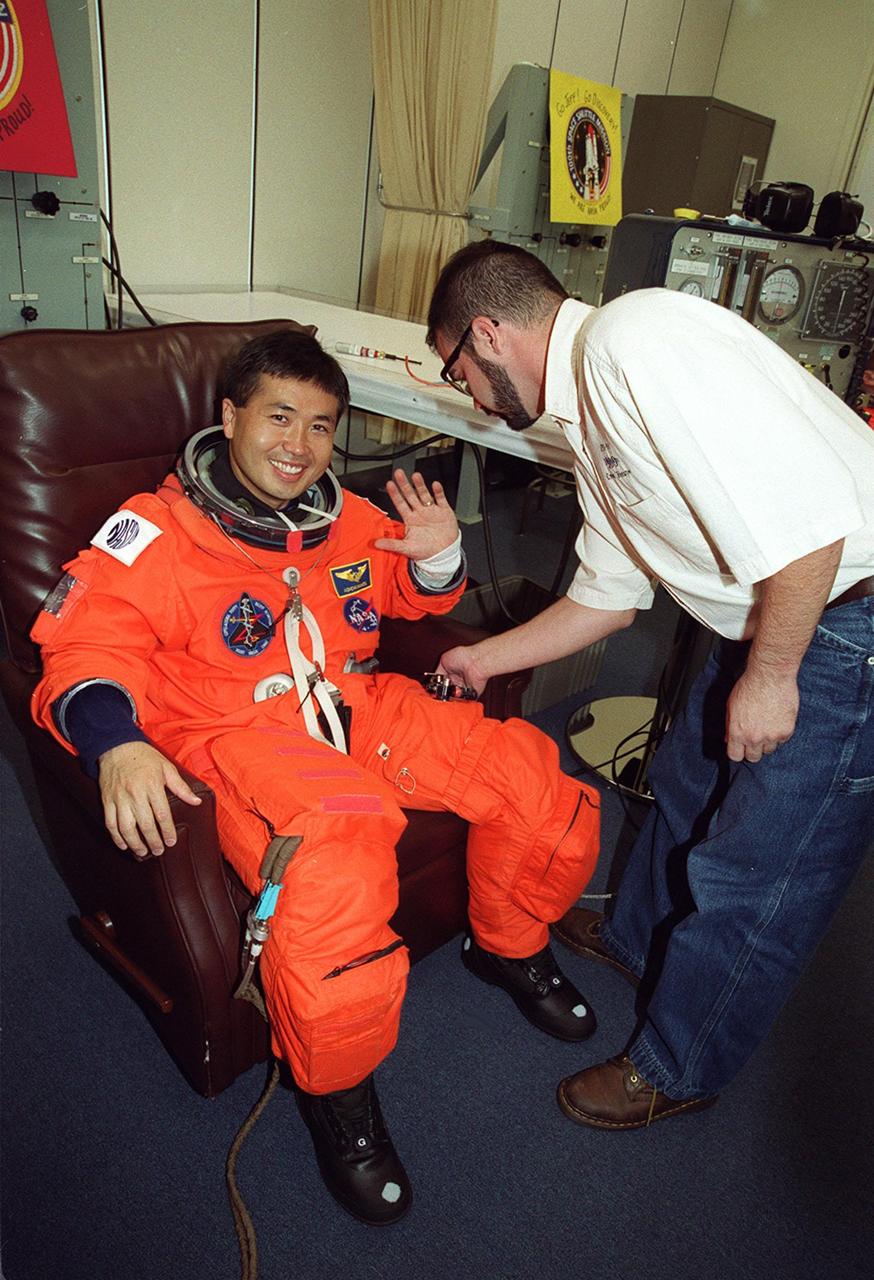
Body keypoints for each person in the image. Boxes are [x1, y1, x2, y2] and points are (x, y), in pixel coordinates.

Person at [30, 330, 601, 1223]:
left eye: (322, 425)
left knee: (528, 773)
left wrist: (437, 554)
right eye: (280, 416)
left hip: (352, 703)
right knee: (336, 859)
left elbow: (411, 597)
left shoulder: (348, 517)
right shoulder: (155, 535)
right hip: (239, 734)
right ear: (231, 418)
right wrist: (117, 744)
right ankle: (341, 1097)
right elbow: (82, 646)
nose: (299, 445)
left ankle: (508, 943)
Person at [426, 239, 874, 1130]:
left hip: (842, 622)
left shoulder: (637, 342)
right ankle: (636, 939)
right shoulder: (591, 406)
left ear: (486, 333)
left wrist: (772, 677)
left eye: (456, 370)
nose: (466, 394)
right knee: (683, 787)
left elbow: (812, 526)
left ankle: (680, 1064)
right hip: (773, 617)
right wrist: (483, 659)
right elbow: (607, 599)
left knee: (757, 874)